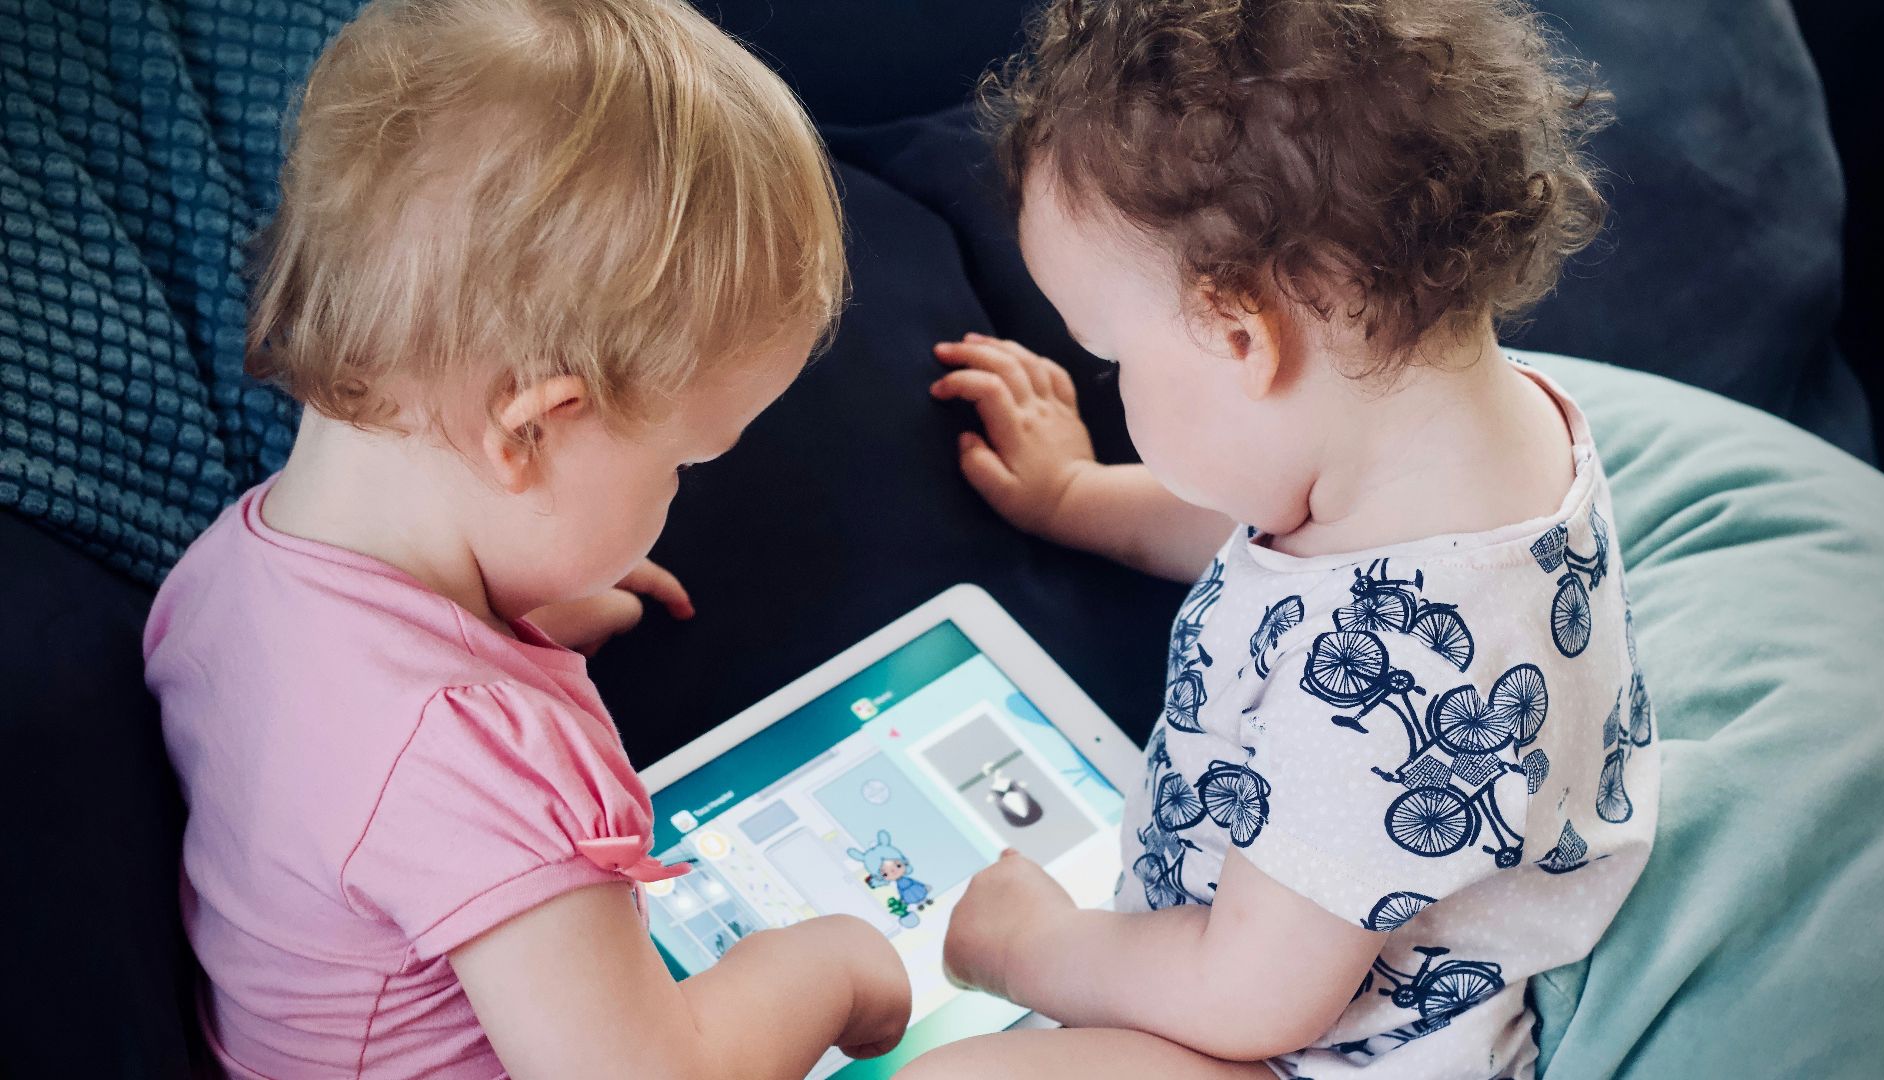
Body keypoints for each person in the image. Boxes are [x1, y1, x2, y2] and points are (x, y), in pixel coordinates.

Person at [142, 1, 909, 1075]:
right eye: (685, 460)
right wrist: (836, 966)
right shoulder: (487, 759)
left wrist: (515, 593)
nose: (686, 488)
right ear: (529, 432)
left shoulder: (228, 571)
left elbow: (349, 775)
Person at [904, 1, 1658, 1077]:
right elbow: (1260, 525)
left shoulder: (1404, 675)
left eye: (1114, 360)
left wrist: (1028, 948)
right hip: (1276, 961)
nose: (1112, 388)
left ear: (1240, 333)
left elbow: (1250, 999)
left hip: (1313, 1047)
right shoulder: (1440, 441)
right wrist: (1072, 494)